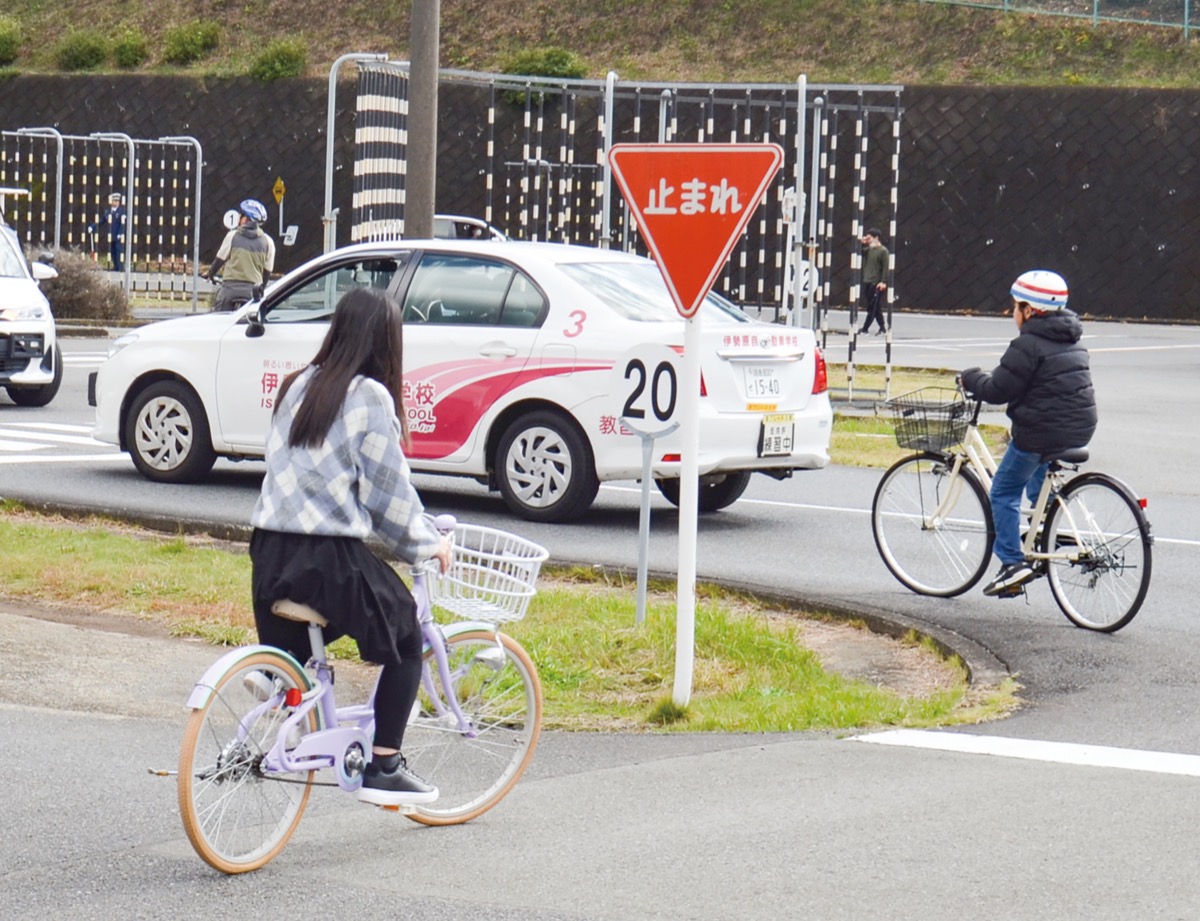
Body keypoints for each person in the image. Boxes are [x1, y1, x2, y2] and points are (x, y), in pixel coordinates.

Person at [249, 287, 452, 807]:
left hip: (269, 550)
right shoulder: (369, 397)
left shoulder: (296, 386)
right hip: (325, 556)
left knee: (335, 622)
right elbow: (388, 496)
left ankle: (284, 687)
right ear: (387, 343)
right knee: (406, 631)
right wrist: (427, 545)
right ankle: (384, 764)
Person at [960, 270, 1097, 597]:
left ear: (1030, 310)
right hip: (1079, 427)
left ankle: (1011, 564)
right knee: (1038, 477)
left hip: (1041, 432)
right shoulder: (1070, 338)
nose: (1012, 313)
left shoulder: (1028, 344)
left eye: (1015, 307)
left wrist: (971, 379)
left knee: (1003, 492)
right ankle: (1050, 528)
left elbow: (998, 389)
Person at [207, 198, 275, 311]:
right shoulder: (268, 242)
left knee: (220, 319)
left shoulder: (232, 235)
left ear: (245, 219)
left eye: (241, 215)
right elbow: (267, 272)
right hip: (252, 291)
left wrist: (210, 274)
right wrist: (260, 288)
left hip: (229, 288)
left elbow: (219, 259)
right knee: (253, 319)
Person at [858, 227, 889, 336]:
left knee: (873, 307)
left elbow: (886, 268)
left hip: (876, 283)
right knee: (875, 308)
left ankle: (865, 328)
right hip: (867, 280)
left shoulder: (883, 251)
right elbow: (860, 252)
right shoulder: (869, 250)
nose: (868, 240)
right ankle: (882, 328)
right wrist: (863, 243)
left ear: (876, 238)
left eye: (870, 238)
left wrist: (883, 281)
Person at [90, 192, 127, 272]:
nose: (116, 203)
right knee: (113, 251)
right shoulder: (108, 211)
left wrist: (120, 233)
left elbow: (123, 224)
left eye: (117, 201)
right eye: (115, 201)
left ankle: (121, 267)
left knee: (119, 251)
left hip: (118, 235)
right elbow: (102, 221)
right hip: (111, 235)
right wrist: (93, 226)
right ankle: (116, 266)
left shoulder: (122, 211)